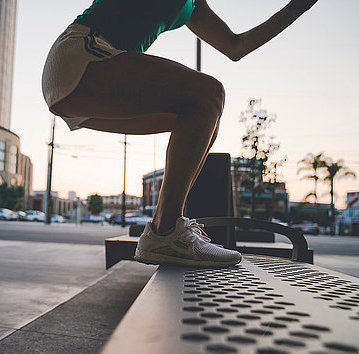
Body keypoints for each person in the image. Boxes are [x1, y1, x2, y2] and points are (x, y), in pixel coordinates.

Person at [41, 0, 317, 267]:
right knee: (207, 93)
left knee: (204, 115)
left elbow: (236, 46)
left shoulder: (194, 4)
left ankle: (164, 230)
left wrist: (297, 6)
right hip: (85, 54)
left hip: (97, 73)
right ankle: (166, 231)